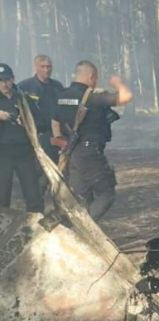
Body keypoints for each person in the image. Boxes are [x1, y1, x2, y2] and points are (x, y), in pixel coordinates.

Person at [51, 60, 133, 220]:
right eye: (95, 79)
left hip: (72, 153)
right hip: (90, 153)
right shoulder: (92, 97)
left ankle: (80, 231)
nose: (96, 83)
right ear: (91, 77)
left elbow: (55, 121)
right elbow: (126, 96)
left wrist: (60, 141)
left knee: (82, 198)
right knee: (106, 193)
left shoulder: (62, 96)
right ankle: (82, 225)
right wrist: (117, 82)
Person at [0, 63, 44, 213]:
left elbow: (39, 121)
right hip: (2, 153)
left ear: (13, 79)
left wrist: (25, 121)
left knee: (33, 193)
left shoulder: (23, 99)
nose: (4, 84)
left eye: (6, 80)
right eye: (0, 81)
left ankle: (35, 226)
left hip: (24, 152)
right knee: (2, 194)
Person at [18, 55, 64, 162]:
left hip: (54, 133)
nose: (46, 70)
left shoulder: (57, 86)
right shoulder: (24, 87)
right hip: (34, 136)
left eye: (49, 67)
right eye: (43, 67)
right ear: (36, 67)